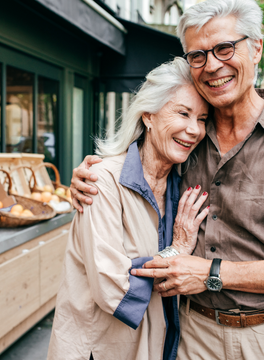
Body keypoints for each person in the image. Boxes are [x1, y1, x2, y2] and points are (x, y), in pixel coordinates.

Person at [69, 0, 264, 359]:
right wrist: (89, 176)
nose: (212, 65)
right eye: (197, 55)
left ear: (257, 47)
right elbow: (136, 175)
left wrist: (211, 273)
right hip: (192, 333)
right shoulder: (188, 139)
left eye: (224, 48)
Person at [48, 58, 211, 360]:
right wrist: (177, 250)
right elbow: (114, 286)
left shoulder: (183, 183)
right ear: (148, 116)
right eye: (183, 113)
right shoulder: (102, 182)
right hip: (103, 350)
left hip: (157, 345)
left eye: (202, 119)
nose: (194, 130)